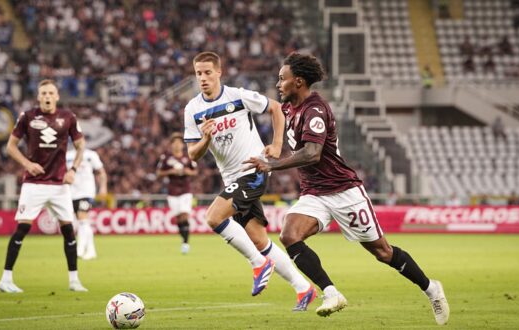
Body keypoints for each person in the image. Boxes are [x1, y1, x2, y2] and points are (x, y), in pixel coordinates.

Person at [244, 53, 449, 324]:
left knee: (382, 252)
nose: (278, 83)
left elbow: (313, 153)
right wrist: (276, 143)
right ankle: (331, 293)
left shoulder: (315, 110)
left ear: (300, 82)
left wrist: (272, 164)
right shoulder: (289, 107)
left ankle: (430, 288)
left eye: (283, 79)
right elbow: (277, 116)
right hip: (314, 193)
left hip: (343, 191)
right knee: (290, 235)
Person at [183, 51, 316, 311]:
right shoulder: (193, 109)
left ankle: (258, 263)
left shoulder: (238, 96)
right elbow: (192, 154)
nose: (203, 78)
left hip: (254, 170)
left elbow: (276, 108)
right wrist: (206, 140)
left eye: (208, 72)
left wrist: (276, 145)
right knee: (259, 240)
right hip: (231, 178)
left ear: (219, 72)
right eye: (199, 73)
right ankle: (303, 289)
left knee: (213, 217)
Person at [0, 79, 88, 293]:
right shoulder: (27, 116)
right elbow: (10, 146)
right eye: (43, 93)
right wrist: (28, 164)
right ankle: (6, 279)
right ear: (38, 97)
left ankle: (74, 280)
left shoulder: (68, 117)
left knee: (69, 231)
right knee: (22, 228)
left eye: (51, 93)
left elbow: (81, 146)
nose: (47, 96)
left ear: (57, 96)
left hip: (59, 186)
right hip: (34, 184)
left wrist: (73, 170)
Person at [156, 132, 198, 254]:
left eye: (180, 142)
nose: (177, 145)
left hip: (185, 190)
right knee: (179, 219)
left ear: (182, 145)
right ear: (171, 145)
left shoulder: (187, 157)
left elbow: (195, 172)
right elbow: (158, 173)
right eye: (175, 143)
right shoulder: (166, 158)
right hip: (172, 191)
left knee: (185, 215)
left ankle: (185, 244)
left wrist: (186, 171)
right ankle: (183, 237)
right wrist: (171, 171)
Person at [66, 147, 107, 260]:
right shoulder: (67, 155)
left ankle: (79, 250)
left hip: (86, 192)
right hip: (71, 193)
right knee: (81, 222)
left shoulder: (90, 155)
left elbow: (101, 172)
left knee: (82, 217)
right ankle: (91, 250)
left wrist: (103, 188)